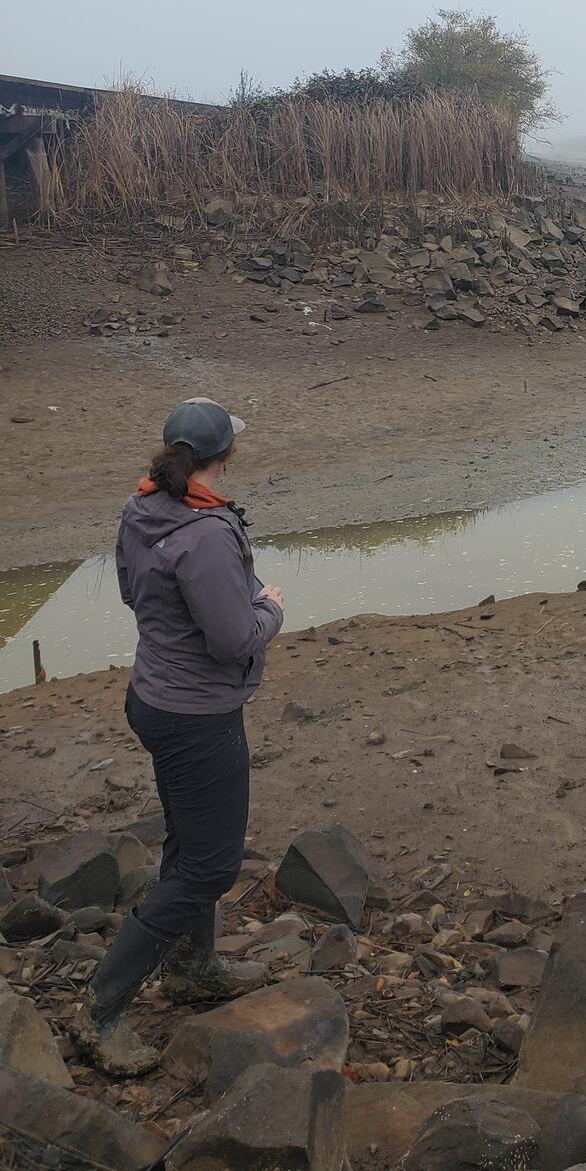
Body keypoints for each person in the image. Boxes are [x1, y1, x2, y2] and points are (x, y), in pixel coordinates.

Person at [71, 398, 285, 1076]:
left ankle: (194, 966)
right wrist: (269, 610)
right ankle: (100, 1009)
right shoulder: (208, 533)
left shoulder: (143, 509)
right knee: (209, 867)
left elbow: (139, 597)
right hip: (197, 717)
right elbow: (231, 641)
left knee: (188, 846)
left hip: (154, 698)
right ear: (226, 457)